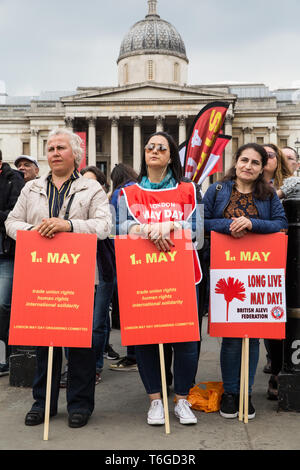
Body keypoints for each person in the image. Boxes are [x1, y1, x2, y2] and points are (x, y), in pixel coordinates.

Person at [5, 128, 111, 428]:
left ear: (75, 154)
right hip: (40, 271)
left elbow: (104, 226)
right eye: (50, 148)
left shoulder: (91, 190)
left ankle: (79, 403)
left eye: (61, 147)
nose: (54, 153)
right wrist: (34, 231)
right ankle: (43, 402)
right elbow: (12, 222)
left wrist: (68, 225)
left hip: (77, 272)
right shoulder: (32, 188)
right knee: (44, 341)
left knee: (81, 343)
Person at [117, 131, 202, 425]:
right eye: (150, 146)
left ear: (170, 156)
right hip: (142, 273)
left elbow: (199, 231)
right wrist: (145, 230)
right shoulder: (127, 192)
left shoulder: (188, 190)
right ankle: (155, 401)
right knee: (146, 338)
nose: (154, 150)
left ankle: (181, 399)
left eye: (161, 148)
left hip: (183, 274)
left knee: (186, 340)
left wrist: (170, 224)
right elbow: (116, 227)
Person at [203, 142, 288, 419]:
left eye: (255, 162)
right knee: (230, 337)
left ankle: (246, 394)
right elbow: (203, 221)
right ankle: (230, 393)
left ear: (262, 167)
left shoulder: (269, 195)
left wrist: (252, 224)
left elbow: (280, 224)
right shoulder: (217, 190)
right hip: (225, 271)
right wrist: (229, 225)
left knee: (251, 337)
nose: (248, 166)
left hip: (257, 271)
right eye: (244, 160)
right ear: (236, 162)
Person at [81, 165, 119, 385]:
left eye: (92, 184)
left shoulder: (108, 209)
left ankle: (95, 366)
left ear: (102, 187)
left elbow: (107, 233)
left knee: (97, 323)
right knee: (76, 321)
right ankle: (76, 366)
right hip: (78, 269)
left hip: (103, 268)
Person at [262, 144, 292, 396]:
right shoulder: (251, 189)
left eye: (270, 154)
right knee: (270, 320)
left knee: (287, 319)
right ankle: (276, 369)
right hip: (263, 260)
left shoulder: (290, 185)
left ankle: (282, 369)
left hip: (291, 259)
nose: (264, 158)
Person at [109, 163, 139, 372]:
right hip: (144, 256)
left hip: (125, 255)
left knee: (129, 310)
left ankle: (133, 357)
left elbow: (113, 227)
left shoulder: (119, 193)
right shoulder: (140, 190)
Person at [0, 150, 24, 375]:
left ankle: (9, 354)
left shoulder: (13, 179)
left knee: (3, 304)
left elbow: (13, 216)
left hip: (5, 252)